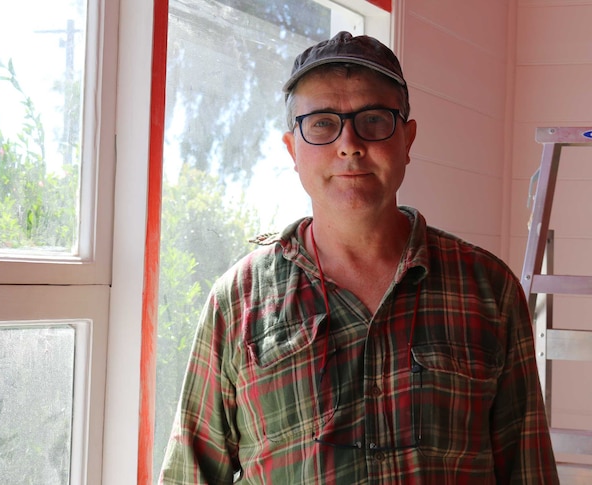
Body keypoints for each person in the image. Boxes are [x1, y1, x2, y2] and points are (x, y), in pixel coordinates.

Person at [159, 31, 559, 484]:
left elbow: (529, 472)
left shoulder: (490, 289)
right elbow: (188, 475)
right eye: (322, 123)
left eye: (373, 119)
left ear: (408, 139)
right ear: (293, 149)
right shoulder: (237, 302)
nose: (349, 143)